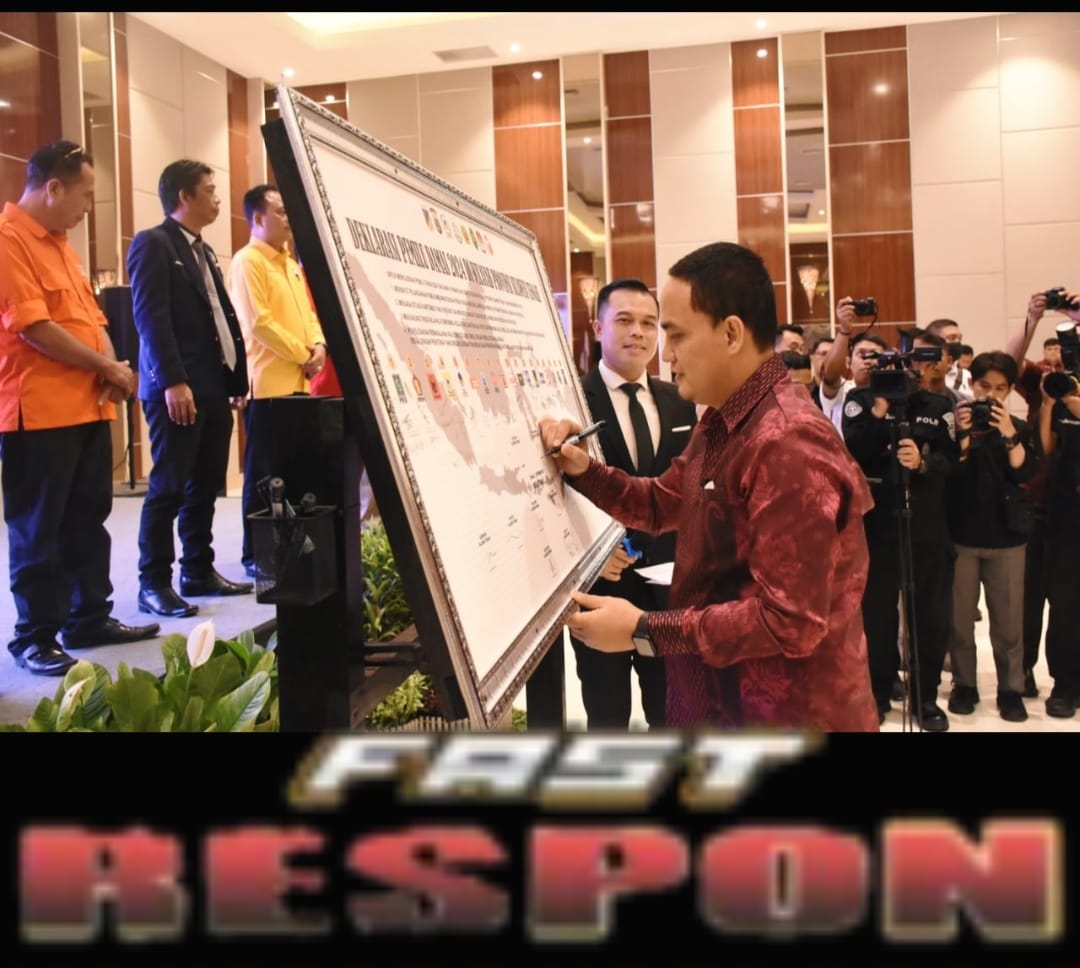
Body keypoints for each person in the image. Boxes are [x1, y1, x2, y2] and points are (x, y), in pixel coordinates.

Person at [540, 242, 878, 732]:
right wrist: (580, 468)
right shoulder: (724, 421)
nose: (666, 352)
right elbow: (660, 503)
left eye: (675, 333)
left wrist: (645, 630)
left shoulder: (787, 442)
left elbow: (790, 622)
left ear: (732, 333)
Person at [0, 140, 159, 676]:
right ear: (53, 187)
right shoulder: (9, 239)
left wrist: (113, 370)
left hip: (87, 408)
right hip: (39, 413)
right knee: (38, 529)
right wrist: (108, 367)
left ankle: (88, 618)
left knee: (88, 521)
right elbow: (35, 327)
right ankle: (34, 637)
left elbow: (93, 320)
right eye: (85, 194)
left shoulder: (61, 245)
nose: (89, 206)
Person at [127, 158, 252, 619]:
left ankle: (197, 569)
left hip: (213, 386)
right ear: (185, 196)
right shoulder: (153, 244)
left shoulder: (204, 250)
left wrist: (234, 379)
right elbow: (151, 319)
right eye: (210, 190)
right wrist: (173, 381)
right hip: (175, 389)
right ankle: (153, 583)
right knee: (168, 487)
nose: (218, 198)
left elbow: (220, 317)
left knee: (205, 485)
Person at [571, 278, 697, 730]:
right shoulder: (572, 400)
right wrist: (590, 552)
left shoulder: (679, 400)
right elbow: (554, 494)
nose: (638, 333)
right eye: (624, 320)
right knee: (606, 714)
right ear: (598, 327)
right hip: (602, 583)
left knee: (672, 711)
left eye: (648, 323)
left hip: (668, 587)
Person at [842, 329, 958, 730]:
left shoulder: (937, 405)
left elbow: (950, 460)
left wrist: (922, 463)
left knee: (929, 614)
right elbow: (853, 451)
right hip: (876, 526)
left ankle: (925, 697)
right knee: (876, 616)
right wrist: (878, 410)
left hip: (925, 525)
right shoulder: (860, 402)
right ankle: (877, 691)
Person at [227, 184, 327, 577]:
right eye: (280, 212)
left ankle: (290, 549)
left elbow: (309, 316)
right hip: (268, 386)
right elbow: (259, 324)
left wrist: (319, 346)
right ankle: (255, 554)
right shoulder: (248, 261)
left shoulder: (290, 264)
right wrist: (304, 354)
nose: (288, 219)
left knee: (297, 471)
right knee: (264, 474)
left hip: (300, 383)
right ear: (257, 218)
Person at [946, 352, 1039, 723]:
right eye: (985, 386)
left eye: (1001, 388)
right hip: (961, 534)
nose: (991, 395)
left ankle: (1011, 689)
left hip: (1008, 537)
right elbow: (948, 474)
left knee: (1009, 622)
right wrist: (963, 436)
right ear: (972, 383)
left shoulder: (1019, 427)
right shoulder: (957, 424)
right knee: (959, 620)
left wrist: (1009, 434)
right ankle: (964, 685)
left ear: (1010, 390)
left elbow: (1026, 473)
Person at [1006, 290, 1080, 699]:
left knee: (1069, 601)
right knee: (1026, 599)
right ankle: (1022, 673)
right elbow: (1008, 364)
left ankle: (1066, 682)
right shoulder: (1046, 381)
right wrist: (1032, 320)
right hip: (1034, 503)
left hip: (1073, 508)